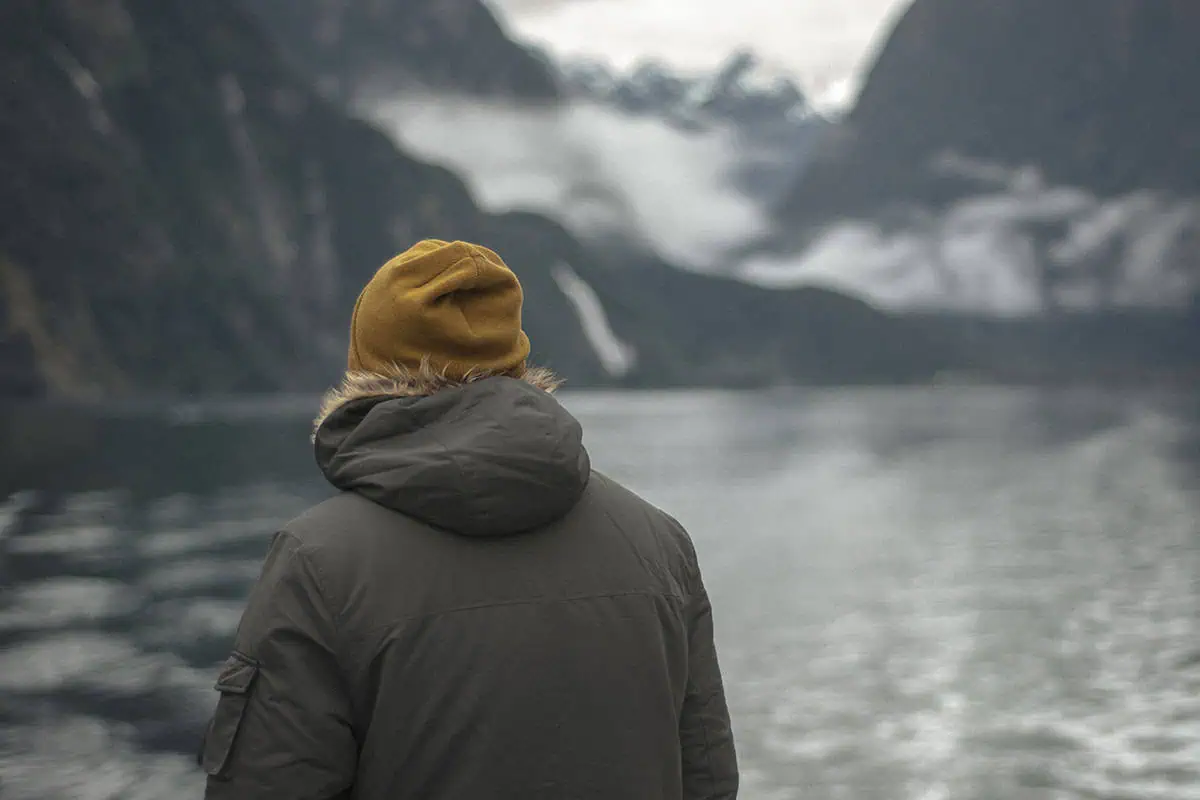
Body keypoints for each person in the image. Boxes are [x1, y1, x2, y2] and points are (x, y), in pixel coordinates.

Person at [199, 239, 738, 799]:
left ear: (368, 369)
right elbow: (708, 780)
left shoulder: (315, 563)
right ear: (515, 359)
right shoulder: (659, 544)